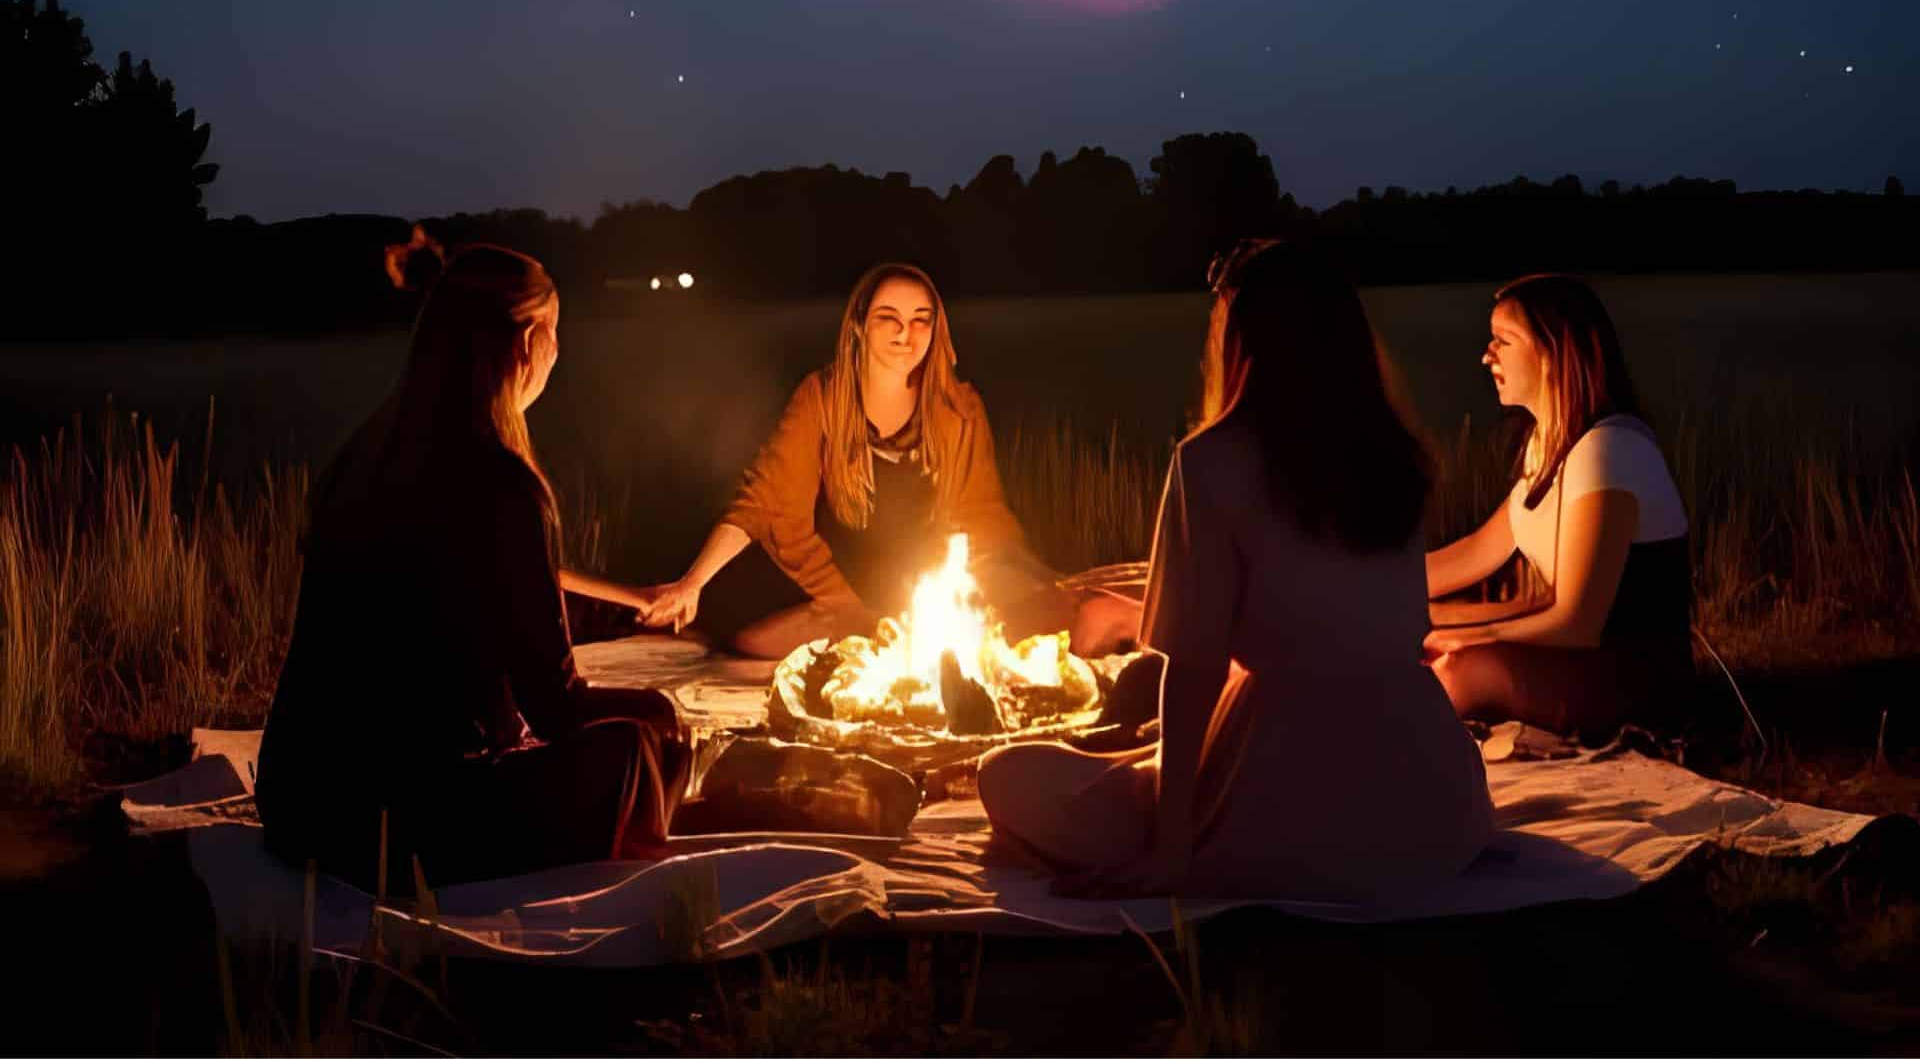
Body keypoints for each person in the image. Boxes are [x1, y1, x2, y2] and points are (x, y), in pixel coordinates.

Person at [977, 240, 1492, 901]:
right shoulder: (1399, 460)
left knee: (1007, 774)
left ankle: (1186, 819)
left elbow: (1194, 671)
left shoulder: (1211, 462)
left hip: (1286, 787)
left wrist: (1171, 844)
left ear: (1242, 341)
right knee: (1137, 766)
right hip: (1431, 804)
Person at [255, 241, 687, 893]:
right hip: (395, 824)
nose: (559, 356)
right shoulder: (505, 484)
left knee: (635, 746)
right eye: (556, 335)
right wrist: (660, 712)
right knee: (644, 738)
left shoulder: (365, 455)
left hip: (296, 803)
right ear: (526, 343)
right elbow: (555, 708)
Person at [637, 262, 1137, 658]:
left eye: (921, 320)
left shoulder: (957, 408)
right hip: (837, 597)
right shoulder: (824, 397)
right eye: (889, 319)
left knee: (1077, 610)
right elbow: (764, 499)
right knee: (750, 641)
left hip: (917, 586)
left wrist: (1037, 580)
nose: (906, 334)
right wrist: (691, 583)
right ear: (859, 325)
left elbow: (983, 516)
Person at [1423, 274, 1691, 738]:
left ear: (1553, 353)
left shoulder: (1610, 449)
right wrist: (1376, 584)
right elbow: (1475, 552)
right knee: (1417, 647)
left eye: (1504, 341)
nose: (1486, 355)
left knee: (1458, 669)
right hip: (1575, 660)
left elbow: (1577, 622)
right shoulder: (1548, 444)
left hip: (1630, 680)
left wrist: (1465, 636)